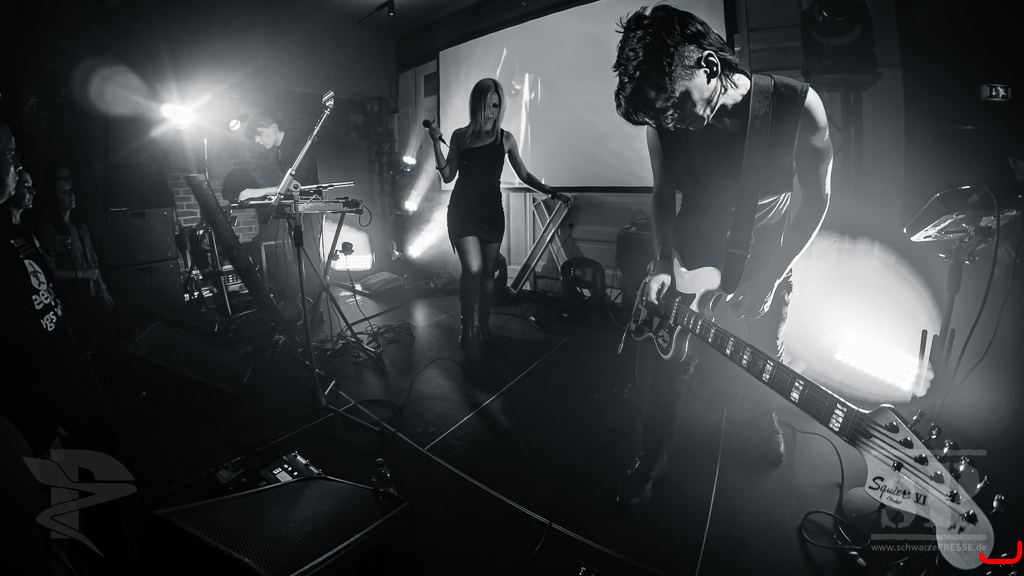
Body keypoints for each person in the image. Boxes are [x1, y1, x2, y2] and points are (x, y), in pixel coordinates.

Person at [612, 6, 832, 506]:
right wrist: (662, 262)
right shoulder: (662, 124)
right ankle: (651, 456)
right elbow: (663, 192)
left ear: (709, 67)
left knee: (764, 358)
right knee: (667, 368)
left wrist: (772, 276)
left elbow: (818, 199)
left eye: (674, 105)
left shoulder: (798, 105)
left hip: (765, 263)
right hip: (690, 261)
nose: (670, 122)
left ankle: (763, 421)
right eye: (660, 117)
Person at [426, 78, 563, 352]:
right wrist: (435, 144)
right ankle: (467, 326)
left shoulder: (506, 138)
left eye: (496, 105)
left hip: (491, 212)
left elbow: (524, 174)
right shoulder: (460, 136)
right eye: (486, 105)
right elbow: (448, 175)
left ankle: (484, 327)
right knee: (473, 269)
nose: (491, 111)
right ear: (476, 105)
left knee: (488, 272)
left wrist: (550, 191)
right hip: (463, 210)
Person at [230, 108, 324, 325]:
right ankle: (307, 309)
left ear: (273, 127)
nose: (257, 140)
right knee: (300, 259)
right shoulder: (283, 150)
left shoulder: (297, 145)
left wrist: (257, 192)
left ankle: (316, 313)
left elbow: (297, 183)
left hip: (309, 208)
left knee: (309, 260)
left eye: (259, 134)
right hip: (298, 208)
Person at [36, 168, 115, 354]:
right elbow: (48, 271)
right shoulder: (48, 230)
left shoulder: (79, 226)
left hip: (92, 293)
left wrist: (103, 289)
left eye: (71, 190)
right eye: (64, 192)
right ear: (55, 198)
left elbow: (93, 260)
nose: (71, 195)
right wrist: (81, 274)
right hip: (73, 298)